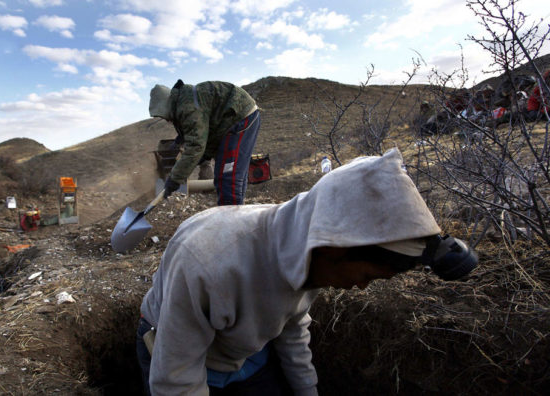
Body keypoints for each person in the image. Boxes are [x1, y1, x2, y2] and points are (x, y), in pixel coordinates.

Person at [136, 148, 478, 395]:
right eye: (367, 277)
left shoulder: (310, 246)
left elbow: (291, 325)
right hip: (174, 352)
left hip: (245, 354)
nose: (360, 288)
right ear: (336, 248)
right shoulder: (209, 262)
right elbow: (176, 380)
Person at [149, 80, 260, 205]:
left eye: (163, 115)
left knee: (227, 177)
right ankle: (236, 214)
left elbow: (196, 146)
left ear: (166, 105)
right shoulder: (182, 102)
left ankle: (230, 221)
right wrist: (180, 141)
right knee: (228, 177)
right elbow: (197, 132)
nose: (165, 119)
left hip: (239, 118)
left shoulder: (187, 107)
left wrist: (174, 180)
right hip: (228, 124)